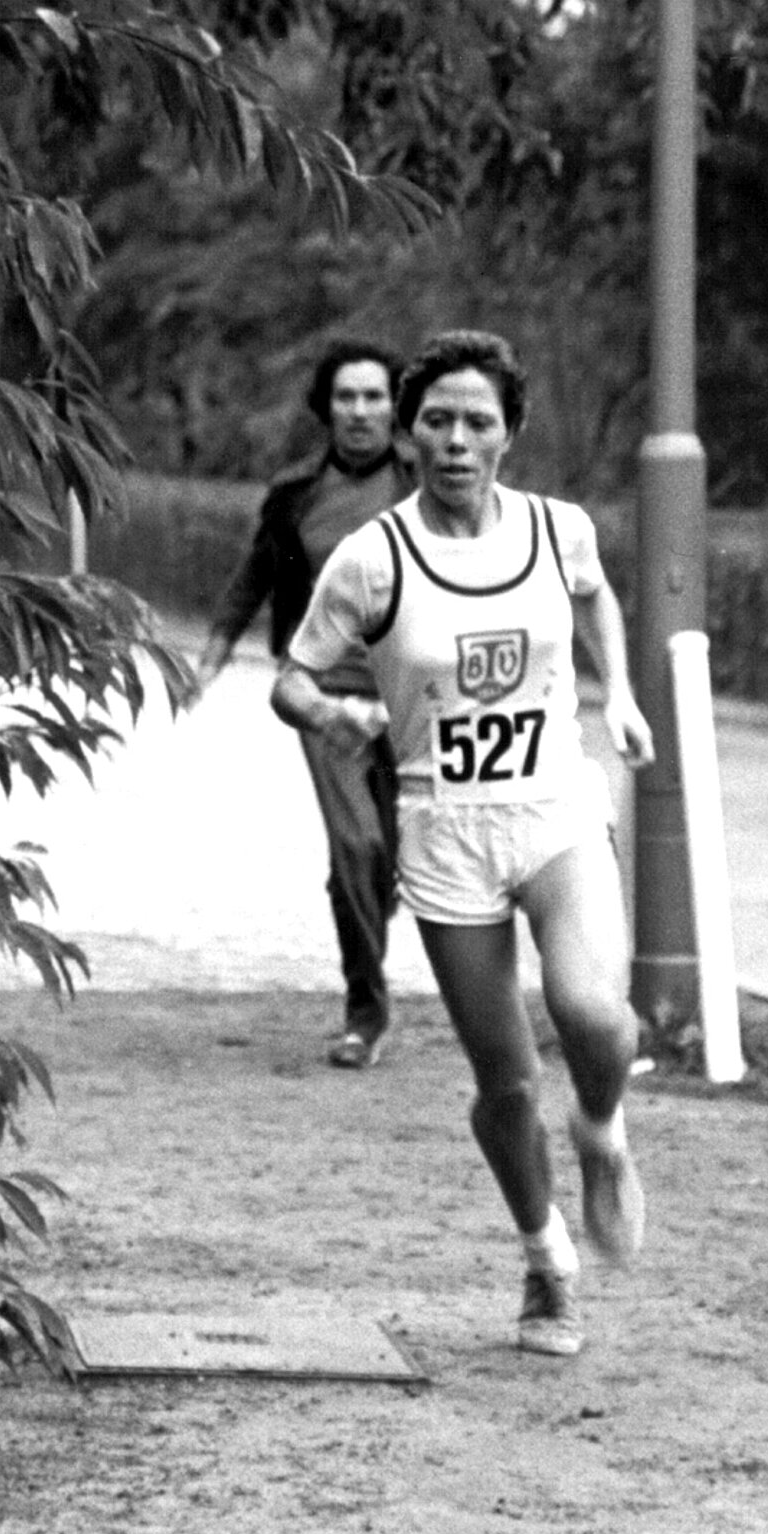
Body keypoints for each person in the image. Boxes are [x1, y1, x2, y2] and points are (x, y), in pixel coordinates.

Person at [271, 330, 655, 1358]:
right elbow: (292, 675)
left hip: (552, 810)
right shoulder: (371, 558)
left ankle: (603, 1133)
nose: (455, 439)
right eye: (435, 420)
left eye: (478, 420)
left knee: (596, 1018)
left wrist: (613, 692)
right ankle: (546, 1266)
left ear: (509, 435)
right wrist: (332, 715)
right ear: (406, 436)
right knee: (508, 1081)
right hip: (446, 834)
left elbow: (593, 593)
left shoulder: (556, 528)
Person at [192, 341, 415, 1067]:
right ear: (327, 408)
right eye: (346, 398)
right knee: (357, 847)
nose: (360, 411)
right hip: (325, 695)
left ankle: (364, 897)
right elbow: (253, 576)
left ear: (395, 406)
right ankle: (366, 1013)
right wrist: (212, 658)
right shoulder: (297, 494)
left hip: (416, 697)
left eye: (374, 397)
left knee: (394, 858)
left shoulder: (426, 484)